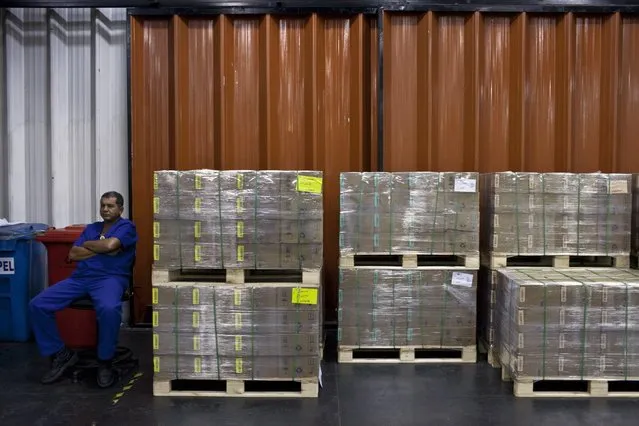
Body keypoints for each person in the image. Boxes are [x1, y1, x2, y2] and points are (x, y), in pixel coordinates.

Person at [29, 191, 138, 388]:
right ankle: (61, 353)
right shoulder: (92, 228)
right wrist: (100, 247)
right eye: (103, 205)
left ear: (120, 209)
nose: (105, 209)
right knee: (38, 304)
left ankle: (105, 361)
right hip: (81, 278)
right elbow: (74, 254)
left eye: (110, 206)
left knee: (108, 309)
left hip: (110, 279)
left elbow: (112, 243)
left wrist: (91, 246)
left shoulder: (127, 227)